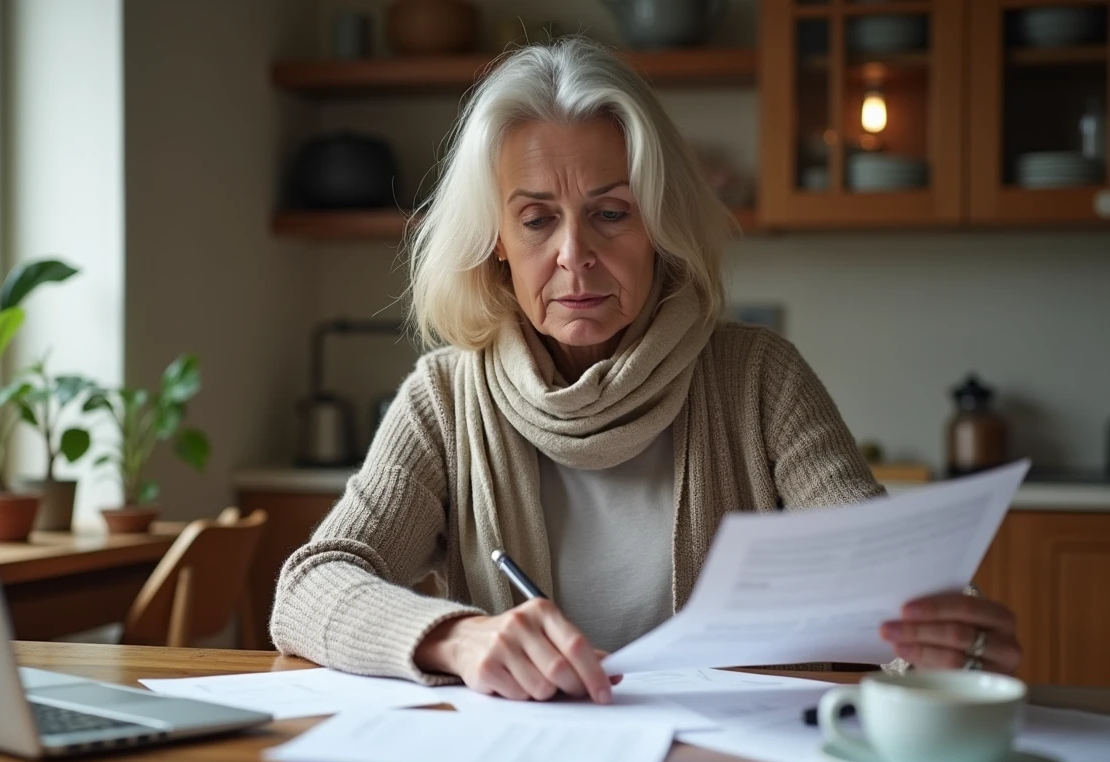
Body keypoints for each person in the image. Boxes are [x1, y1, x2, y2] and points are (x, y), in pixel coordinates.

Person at [270, 38, 1022, 704]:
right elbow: (310, 586)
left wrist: (945, 639)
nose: (574, 255)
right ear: (496, 238)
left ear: (658, 224)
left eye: (611, 212)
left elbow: (879, 578)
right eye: (536, 219)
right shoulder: (444, 400)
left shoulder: (760, 379)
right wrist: (458, 640)